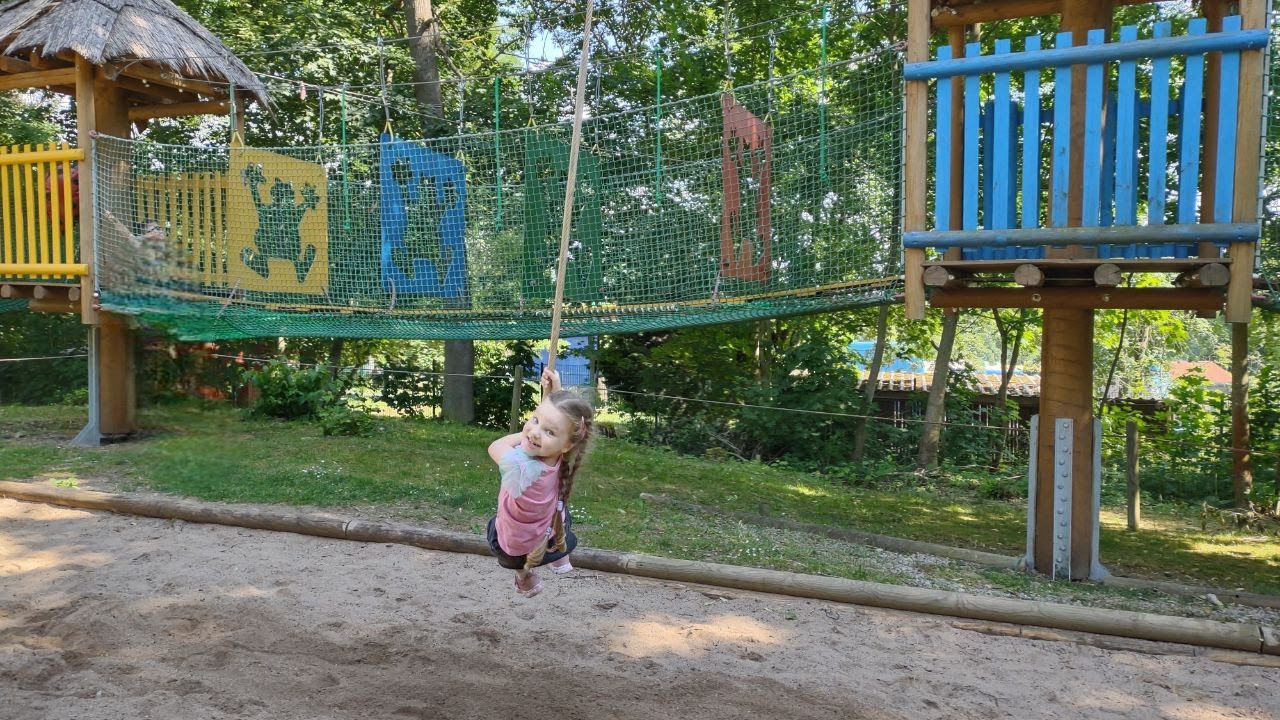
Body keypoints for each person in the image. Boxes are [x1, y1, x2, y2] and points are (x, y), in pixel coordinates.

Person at [486, 368, 594, 597]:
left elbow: (494, 446)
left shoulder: (522, 466)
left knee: (496, 528)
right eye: (534, 420)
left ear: (566, 445)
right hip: (547, 531)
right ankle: (560, 558)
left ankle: (524, 578)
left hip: (518, 546)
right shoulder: (559, 457)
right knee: (561, 511)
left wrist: (524, 435)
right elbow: (559, 425)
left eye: (548, 432)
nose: (535, 432)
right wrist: (554, 393)